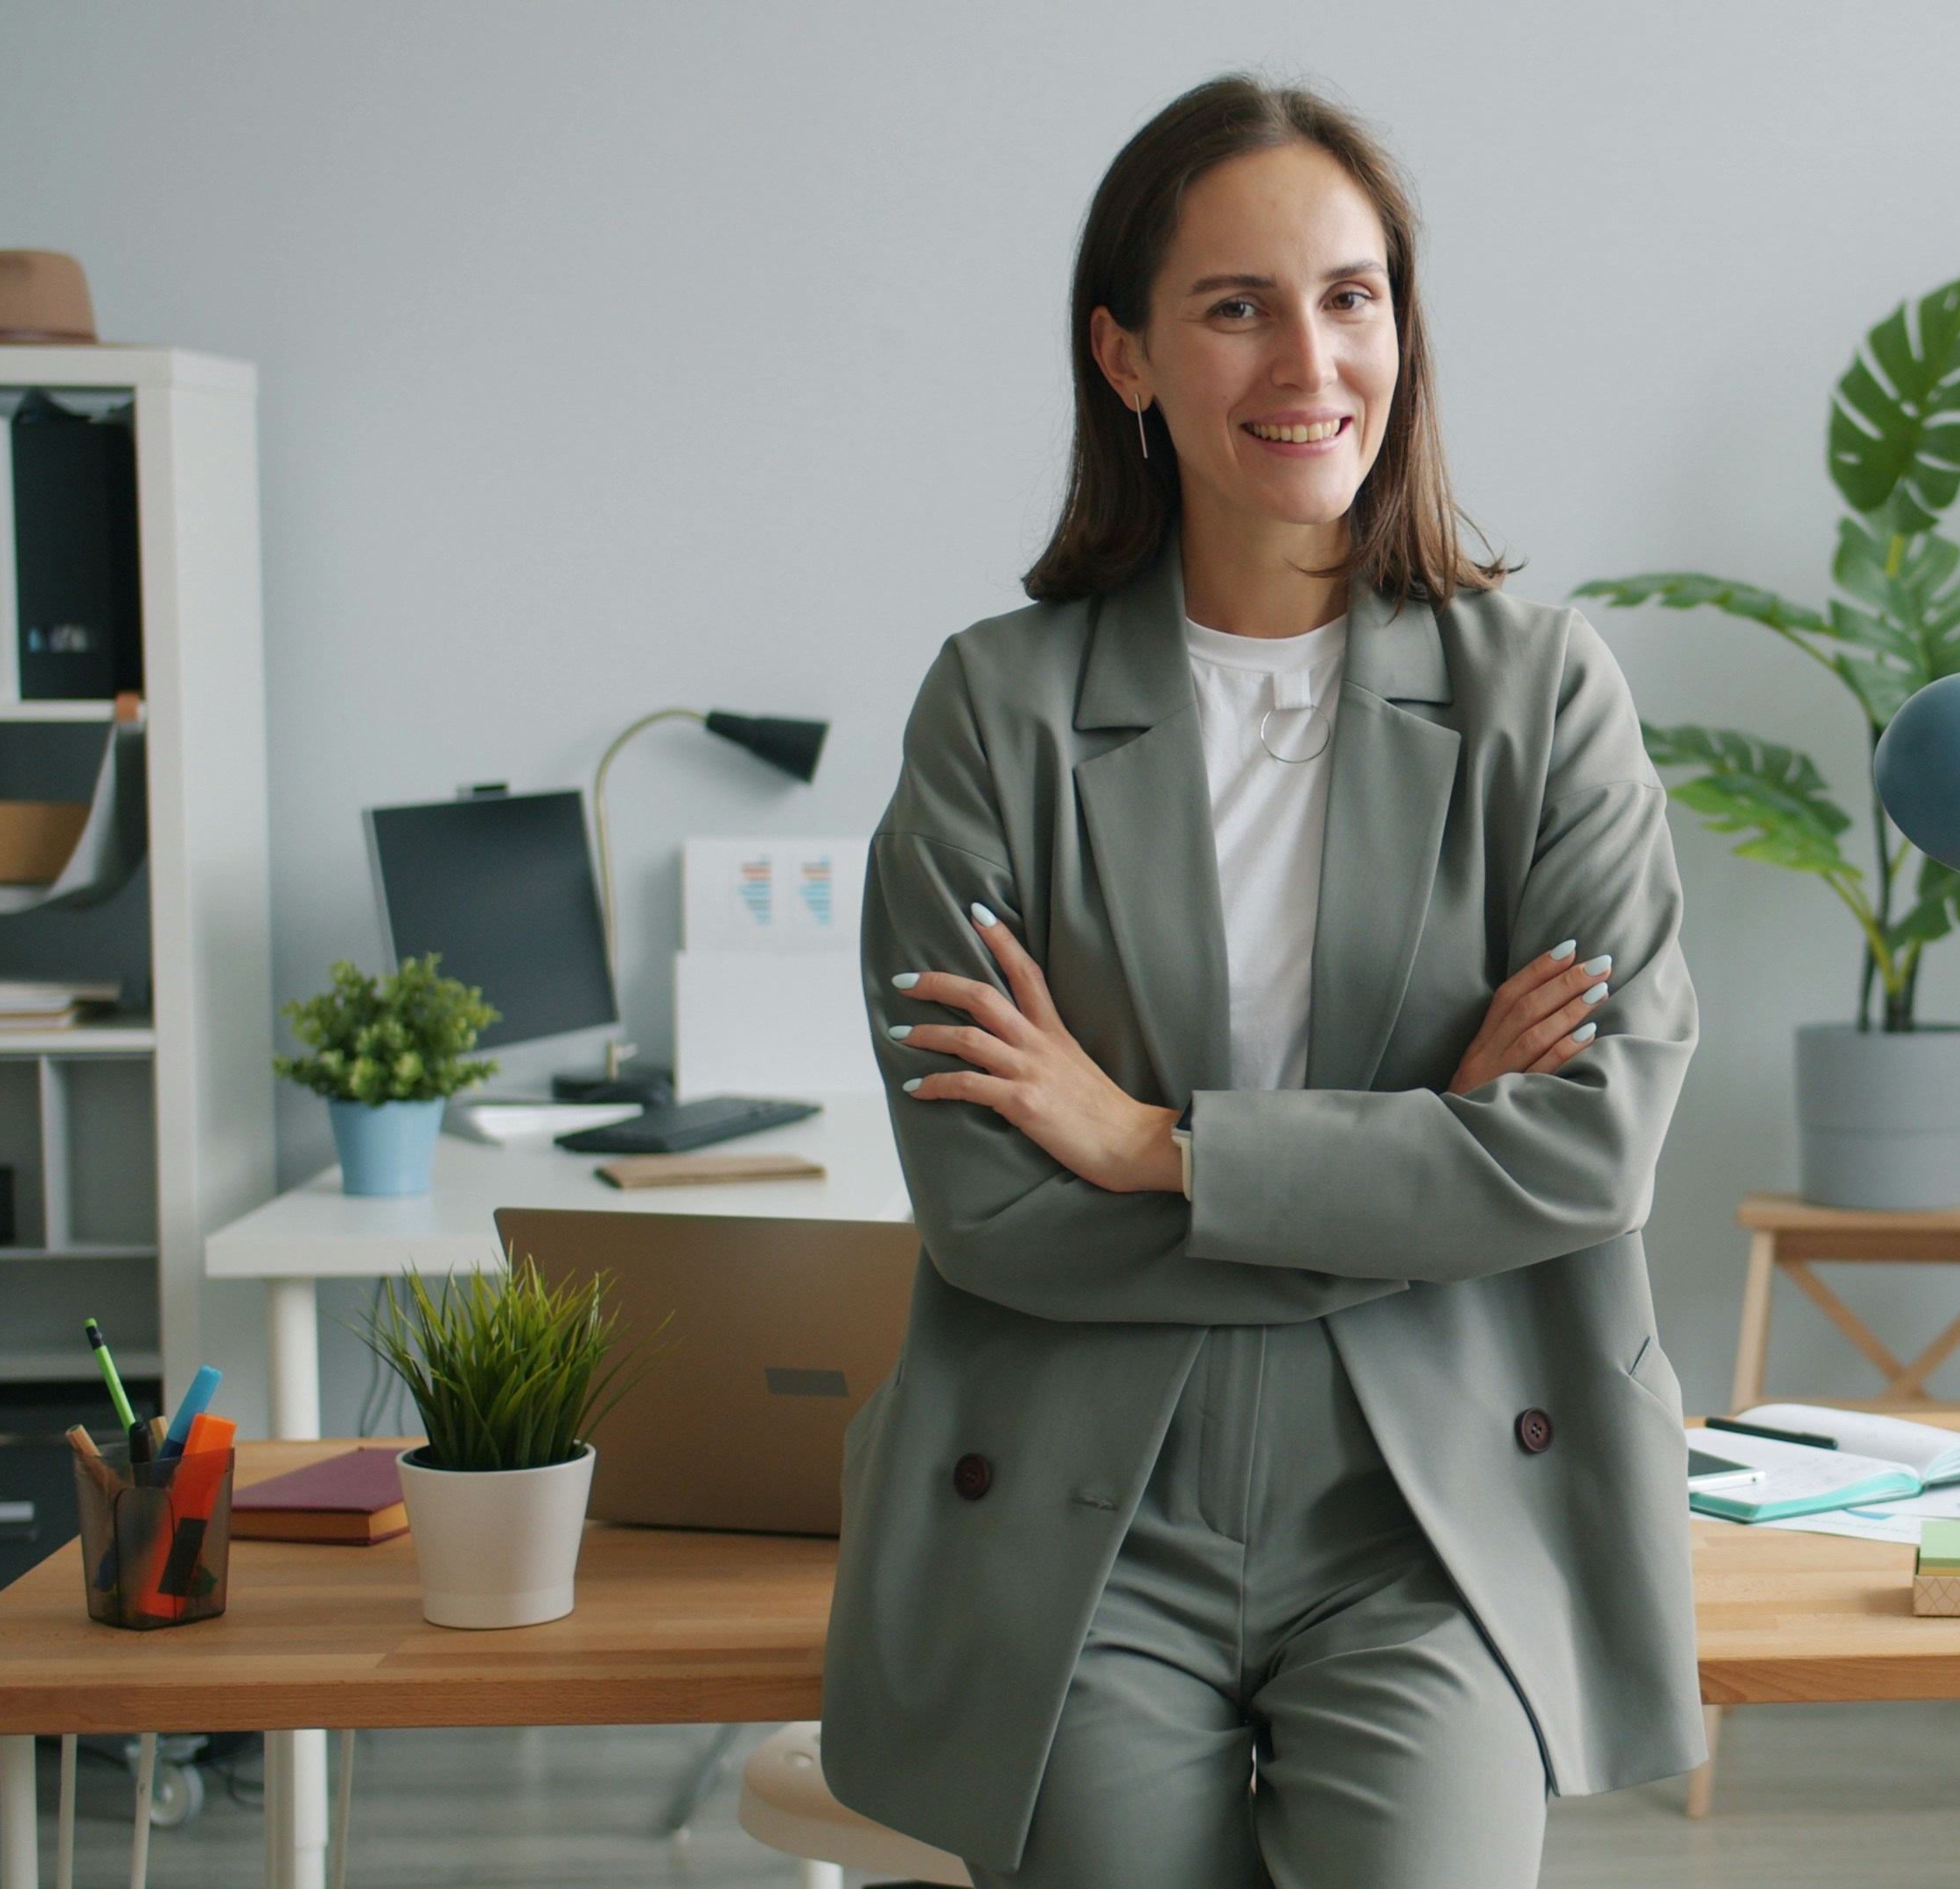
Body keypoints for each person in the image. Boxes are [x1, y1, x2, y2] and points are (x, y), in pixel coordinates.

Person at [818, 73, 1702, 1889]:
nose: (1309, 358)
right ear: (1127, 355)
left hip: (1434, 1516)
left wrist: (1159, 1145)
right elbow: (991, 1204)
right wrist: (1431, 1150)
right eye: (1235, 306)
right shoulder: (999, 709)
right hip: (1092, 1522)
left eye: (1350, 295)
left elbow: (1595, 1150)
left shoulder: (1542, 697)